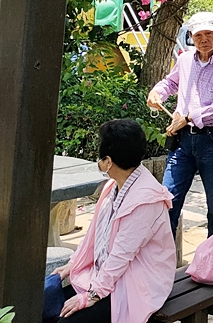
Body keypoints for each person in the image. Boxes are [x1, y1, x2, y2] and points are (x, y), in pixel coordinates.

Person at [42, 119, 176, 323]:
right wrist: (73, 264)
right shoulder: (114, 185)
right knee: (43, 305)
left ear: (108, 162)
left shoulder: (145, 200)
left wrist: (91, 296)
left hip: (137, 283)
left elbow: (121, 256)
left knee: (65, 320)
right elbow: (94, 235)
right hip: (107, 275)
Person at [147, 11, 213, 237]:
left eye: (209, 33)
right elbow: (170, 82)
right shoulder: (185, 59)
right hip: (183, 141)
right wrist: (157, 92)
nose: (204, 39)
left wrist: (187, 117)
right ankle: (162, 261)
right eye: (198, 35)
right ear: (190, 36)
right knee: (167, 200)